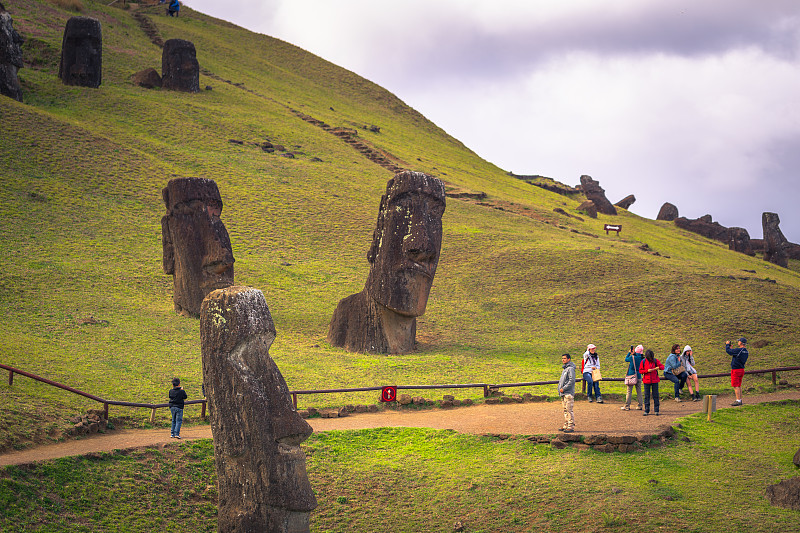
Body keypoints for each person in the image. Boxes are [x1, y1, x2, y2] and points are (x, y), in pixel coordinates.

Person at [639, 349, 664, 416]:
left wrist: (658, 367)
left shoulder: (655, 360)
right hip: (646, 380)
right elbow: (640, 371)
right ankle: (646, 410)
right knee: (647, 396)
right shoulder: (643, 362)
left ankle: (656, 410)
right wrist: (647, 371)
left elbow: (662, 367)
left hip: (655, 380)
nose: (650, 358)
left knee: (656, 395)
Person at [726, 337, 749, 406]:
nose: (738, 342)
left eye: (738, 341)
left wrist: (727, 345)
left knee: (735, 385)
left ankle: (738, 400)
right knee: (739, 385)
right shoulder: (745, 351)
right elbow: (735, 354)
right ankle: (740, 399)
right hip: (741, 369)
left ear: (741, 343)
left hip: (736, 370)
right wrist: (732, 349)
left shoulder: (739, 350)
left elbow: (729, 351)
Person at [622, 345, 644, 410]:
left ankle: (627, 406)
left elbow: (626, 359)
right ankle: (640, 405)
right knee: (639, 391)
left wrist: (629, 353)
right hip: (639, 376)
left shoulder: (632, 357)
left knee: (629, 391)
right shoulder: (642, 358)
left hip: (631, 376)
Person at [558, 353, 576, 432]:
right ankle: (566, 425)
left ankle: (570, 426)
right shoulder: (565, 369)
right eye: (562, 358)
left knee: (569, 409)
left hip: (568, 392)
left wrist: (564, 388)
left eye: (564, 358)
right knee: (565, 409)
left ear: (569, 359)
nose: (563, 360)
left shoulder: (570, 369)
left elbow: (571, 380)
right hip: (564, 393)